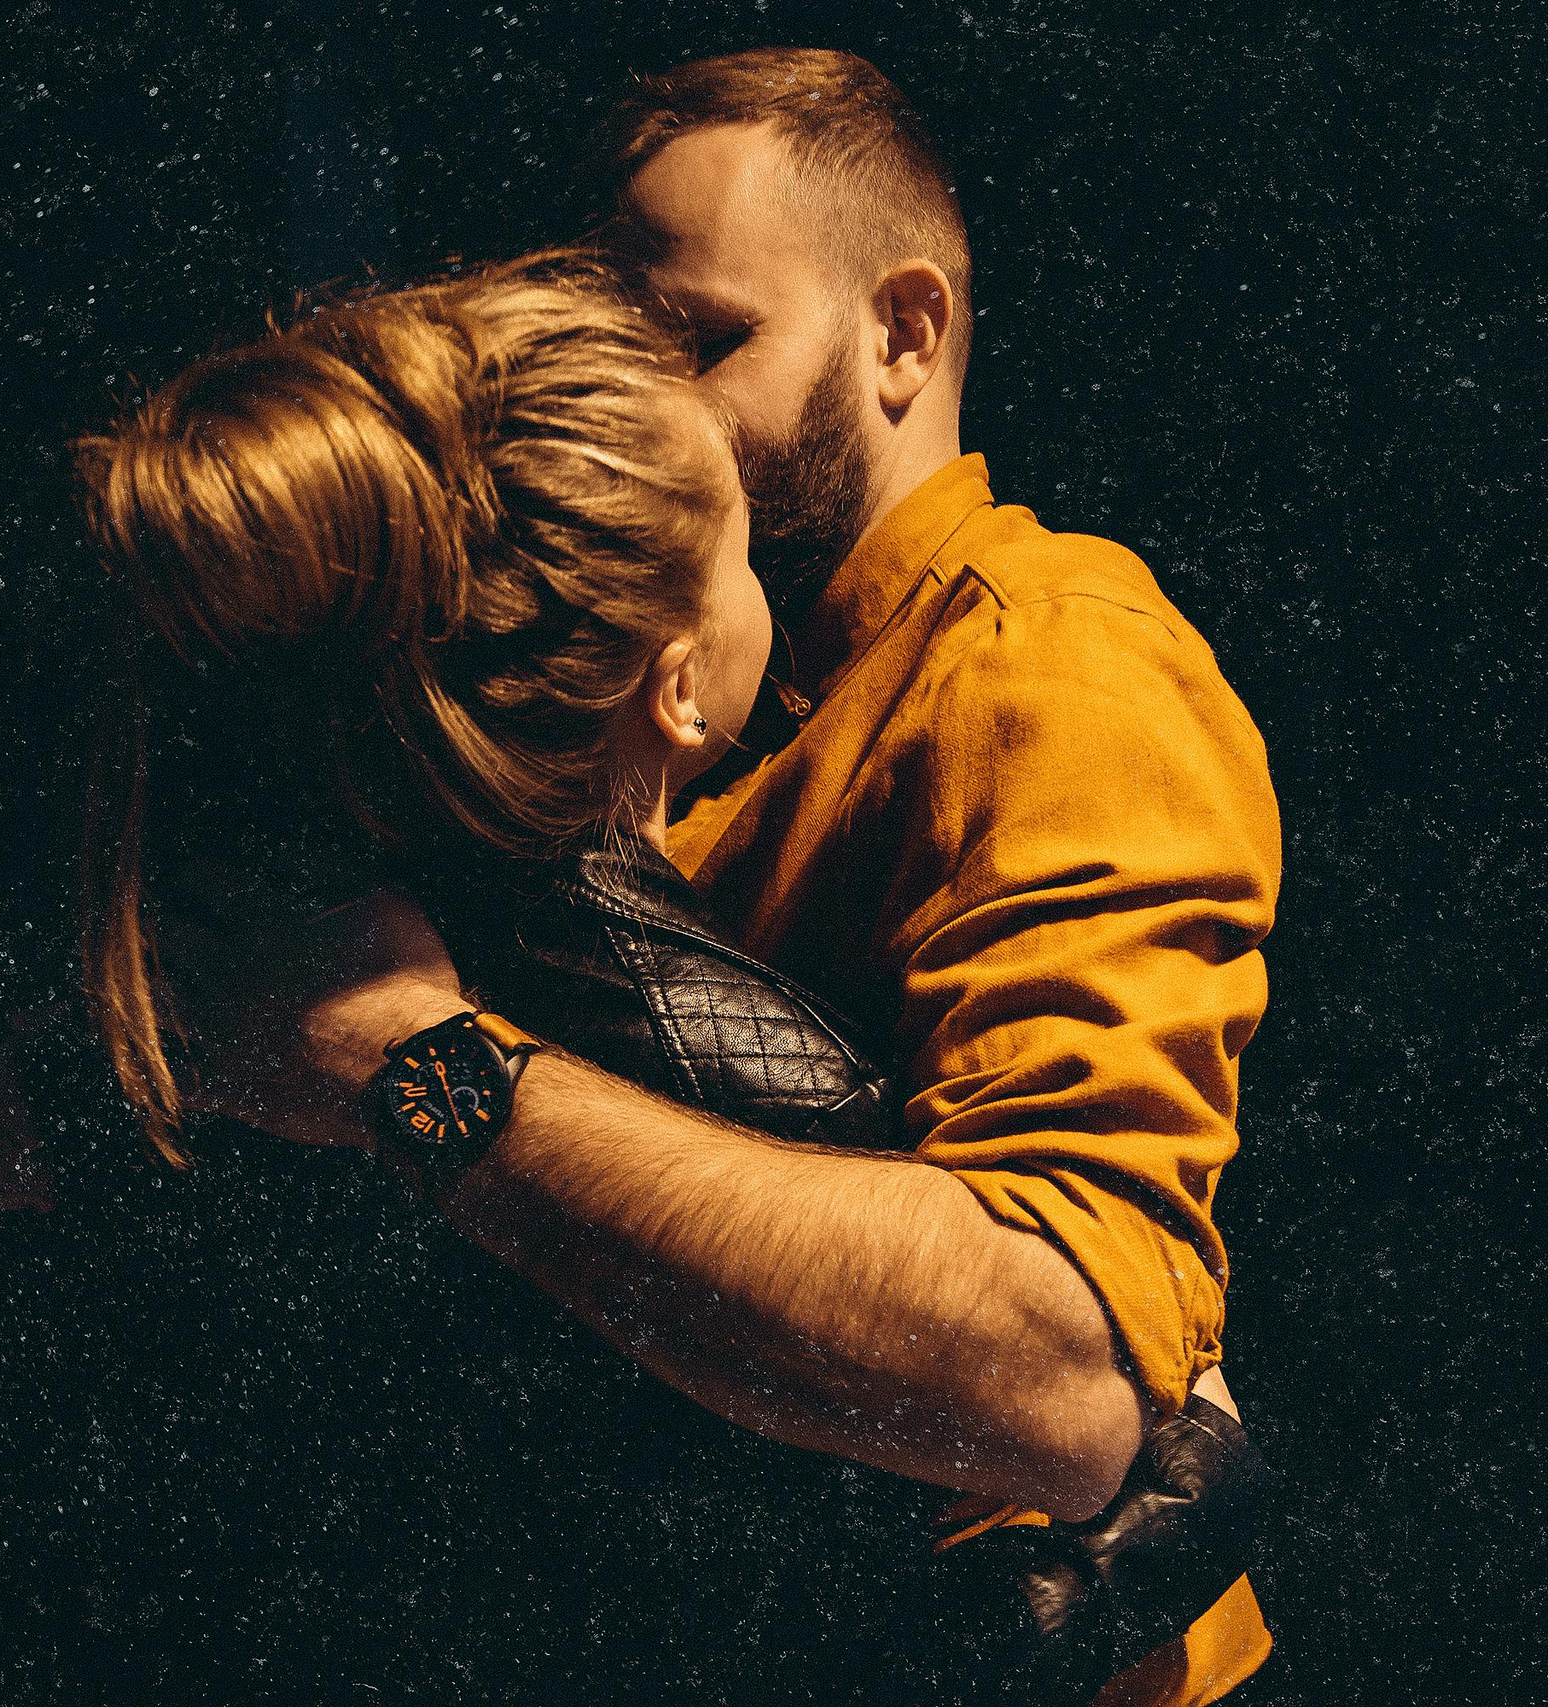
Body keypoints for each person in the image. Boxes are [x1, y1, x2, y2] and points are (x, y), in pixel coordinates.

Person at [87, 47, 1279, 1707]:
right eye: (627, 345)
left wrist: (409, 1064)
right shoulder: (573, 678)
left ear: (903, 332)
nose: (663, 402)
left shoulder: (1054, 673)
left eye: (709, 341)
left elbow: (1069, 1370)